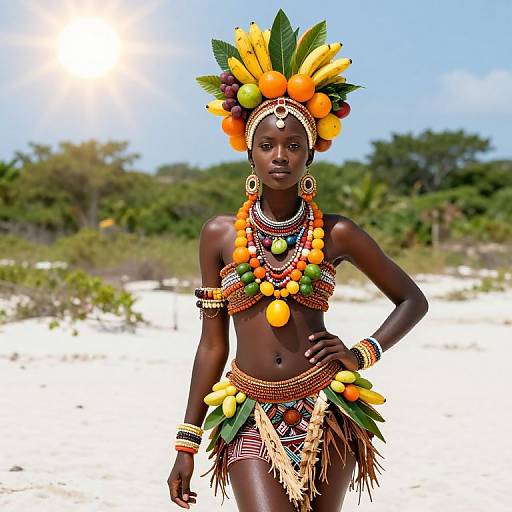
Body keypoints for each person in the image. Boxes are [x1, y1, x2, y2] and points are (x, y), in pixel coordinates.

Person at [168, 13, 429, 512]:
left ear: (311, 154)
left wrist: (361, 352)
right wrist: (186, 441)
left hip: (325, 407)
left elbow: (411, 300)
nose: (280, 156)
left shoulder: (337, 232)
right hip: (246, 410)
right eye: (267, 145)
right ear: (250, 154)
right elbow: (211, 344)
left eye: (293, 146)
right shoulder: (220, 236)